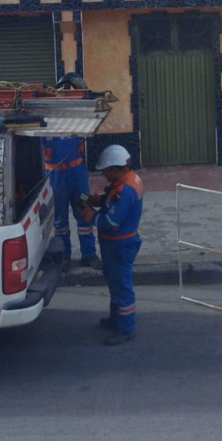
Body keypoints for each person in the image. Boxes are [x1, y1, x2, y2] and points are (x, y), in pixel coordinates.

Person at [81, 145, 143, 346]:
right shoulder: (124, 182)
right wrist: (89, 199)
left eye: (106, 171)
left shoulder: (126, 191)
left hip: (120, 245)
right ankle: (115, 320)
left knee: (122, 286)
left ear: (115, 169)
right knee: (114, 282)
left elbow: (111, 221)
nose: (104, 176)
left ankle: (126, 329)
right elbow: (107, 200)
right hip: (115, 245)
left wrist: (89, 214)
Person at [41, 136, 101, 270]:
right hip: (55, 176)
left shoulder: (75, 120)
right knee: (59, 220)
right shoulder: (46, 125)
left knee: (85, 209)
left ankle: (89, 255)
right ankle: (63, 256)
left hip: (79, 175)